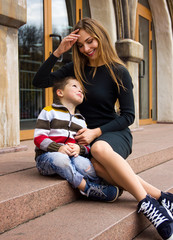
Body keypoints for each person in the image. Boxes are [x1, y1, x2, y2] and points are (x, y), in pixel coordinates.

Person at [33, 18, 173, 240]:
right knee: (96, 164)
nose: (86, 49)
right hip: (86, 138)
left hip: (113, 132)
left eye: (90, 42)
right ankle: (162, 197)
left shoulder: (119, 70)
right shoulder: (76, 68)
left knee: (98, 152)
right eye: (80, 45)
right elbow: (39, 81)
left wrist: (96, 132)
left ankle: (147, 205)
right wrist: (59, 51)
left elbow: (128, 116)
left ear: (100, 38)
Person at [34, 76, 120, 202]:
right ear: (60, 92)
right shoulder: (49, 111)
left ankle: (100, 186)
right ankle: (86, 188)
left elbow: (86, 145)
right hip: (47, 158)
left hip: (72, 158)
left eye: (81, 89)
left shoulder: (81, 120)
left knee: (84, 164)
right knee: (61, 159)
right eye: (74, 86)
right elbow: (39, 138)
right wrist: (58, 148)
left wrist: (79, 149)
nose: (80, 90)